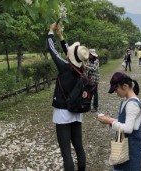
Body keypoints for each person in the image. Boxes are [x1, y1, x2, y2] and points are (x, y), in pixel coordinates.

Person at [47, 22, 90, 171]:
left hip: (62, 113)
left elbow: (52, 51)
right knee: (79, 147)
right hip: (76, 111)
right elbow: (70, 53)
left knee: (66, 153)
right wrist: (61, 36)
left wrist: (51, 33)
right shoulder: (81, 68)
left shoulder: (65, 67)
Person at [98, 72, 141, 171]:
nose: (116, 92)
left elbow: (128, 128)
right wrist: (110, 119)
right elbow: (124, 121)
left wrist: (110, 122)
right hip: (123, 146)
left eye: (116, 89)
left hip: (131, 149)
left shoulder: (132, 104)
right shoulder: (126, 101)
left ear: (125, 86)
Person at [85, 48, 100, 113]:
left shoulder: (96, 60)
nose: (89, 55)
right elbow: (87, 68)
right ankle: (88, 106)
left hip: (95, 79)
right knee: (89, 92)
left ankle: (95, 107)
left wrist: (86, 67)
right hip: (89, 79)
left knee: (95, 93)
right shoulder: (88, 60)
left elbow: (94, 68)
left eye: (90, 54)